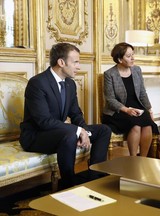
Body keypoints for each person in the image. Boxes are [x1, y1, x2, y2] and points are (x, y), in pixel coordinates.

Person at [19, 43, 111, 189]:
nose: (79, 66)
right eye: (75, 62)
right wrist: (77, 131)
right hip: (36, 136)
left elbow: (75, 113)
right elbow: (43, 121)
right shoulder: (38, 83)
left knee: (104, 130)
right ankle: (69, 185)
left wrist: (85, 131)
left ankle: (95, 178)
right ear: (61, 62)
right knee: (69, 134)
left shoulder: (70, 84)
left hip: (61, 132)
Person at [102, 42, 159, 157]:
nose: (133, 58)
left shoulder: (137, 70)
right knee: (135, 124)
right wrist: (126, 110)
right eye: (128, 56)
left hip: (137, 107)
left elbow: (142, 92)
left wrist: (149, 109)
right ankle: (133, 159)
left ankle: (142, 158)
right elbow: (110, 99)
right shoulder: (110, 74)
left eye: (133, 54)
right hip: (117, 111)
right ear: (119, 59)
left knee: (148, 124)